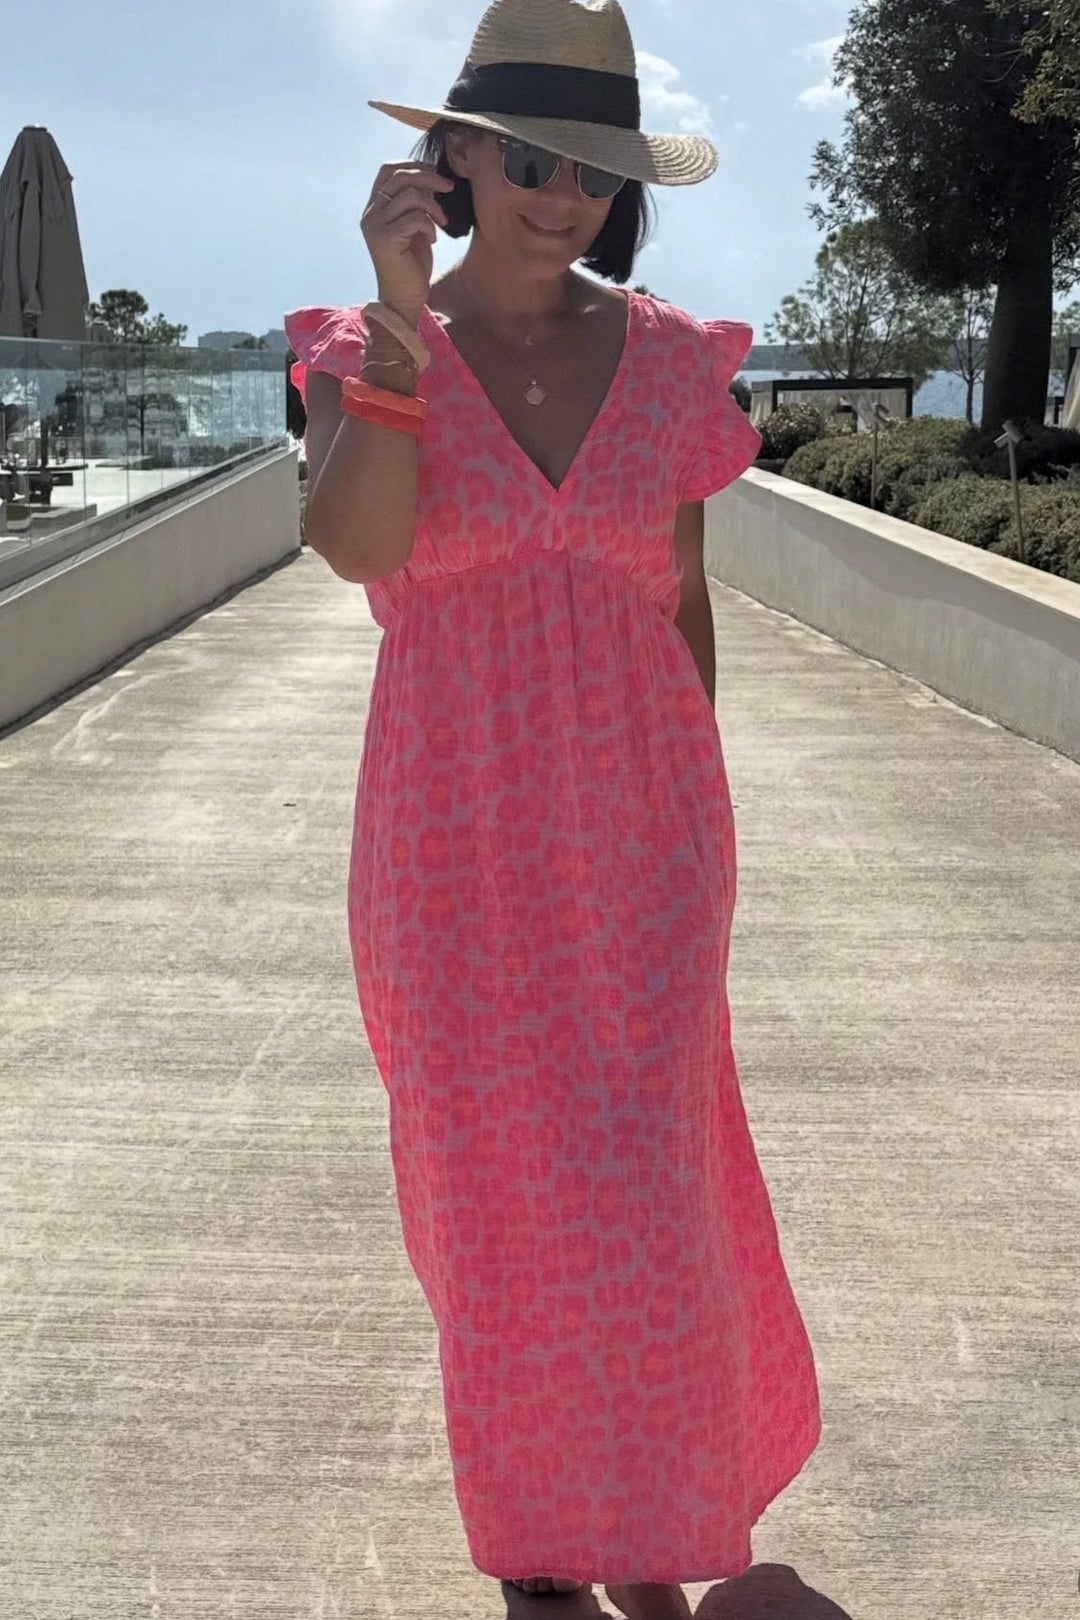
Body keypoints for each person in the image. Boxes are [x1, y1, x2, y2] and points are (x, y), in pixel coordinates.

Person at [284, 0, 822, 1612]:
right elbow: (362, 551)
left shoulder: (667, 361)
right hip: (449, 865)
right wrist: (397, 322)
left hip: (647, 856)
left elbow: (684, 601)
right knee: (500, 1220)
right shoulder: (364, 349)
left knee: (652, 1212)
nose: (555, 191)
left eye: (585, 166)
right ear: (444, 158)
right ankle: (536, 1554)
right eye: (521, 155)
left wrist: (699, 827)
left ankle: (652, 1545)